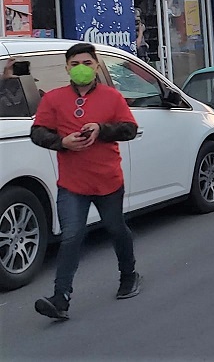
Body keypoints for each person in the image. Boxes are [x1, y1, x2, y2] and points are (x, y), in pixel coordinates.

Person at [29, 43, 141, 320]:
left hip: (108, 181)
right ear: (67, 68)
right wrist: (62, 142)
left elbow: (129, 129)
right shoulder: (53, 99)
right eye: (76, 63)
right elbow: (37, 132)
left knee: (116, 229)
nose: (82, 68)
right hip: (72, 184)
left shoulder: (112, 97)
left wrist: (101, 129)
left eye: (87, 63)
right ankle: (60, 298)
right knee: (71, 236)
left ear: (97, 66)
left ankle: (129, 274)